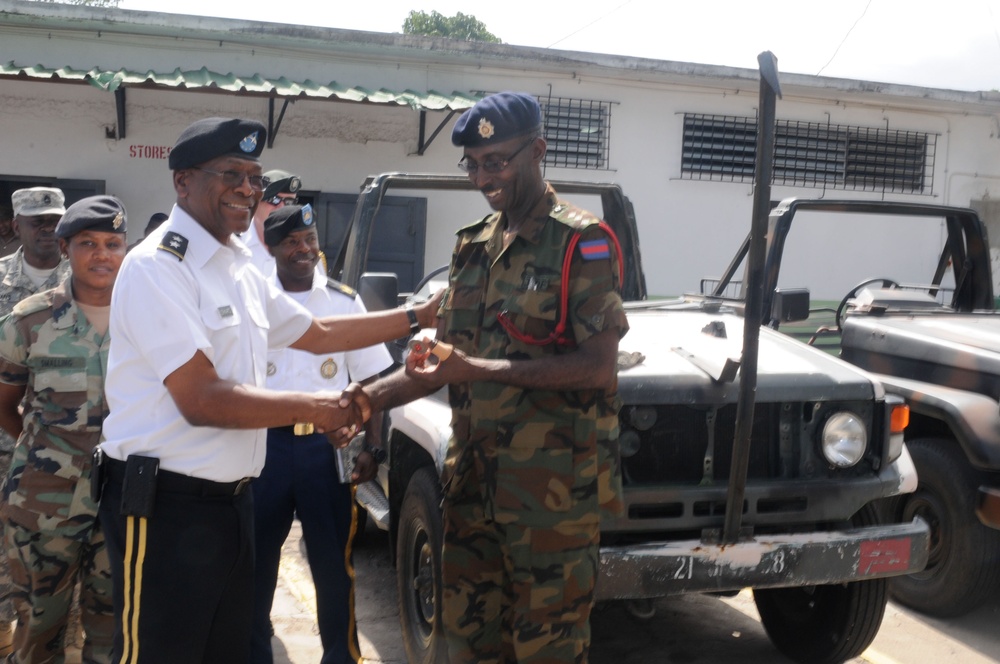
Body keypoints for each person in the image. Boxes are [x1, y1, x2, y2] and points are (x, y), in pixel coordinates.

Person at [96, 116, 441, 664]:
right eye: (231, 173)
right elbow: (202, 397)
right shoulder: (158, 268)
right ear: (182, 181)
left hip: (234, 502)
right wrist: (320, 407)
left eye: (253, 177)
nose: (247, 189)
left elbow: (318, 331)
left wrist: (419, 315)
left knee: (230, 650)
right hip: (166, 508)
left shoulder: (239, 268)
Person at [363, 92, 628, 663]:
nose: (484, 176)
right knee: (467, 642)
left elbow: (598, 366)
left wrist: (472, 368)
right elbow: (443, 361)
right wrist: (364, 400)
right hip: (471, 487)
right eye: (475, 164)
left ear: (537, 151)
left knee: (547, 648)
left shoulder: (580, 243)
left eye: (498, 161)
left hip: (550, 499)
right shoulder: (472, 247)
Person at [250, 203, 393, 664]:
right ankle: (253, 653)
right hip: (262, 449)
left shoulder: (343, 302)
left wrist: (371, 446)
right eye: (291, 242)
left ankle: (340, 655)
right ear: (270, 249)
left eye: (309, 239)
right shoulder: (252, 302)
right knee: (254, 565)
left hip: (325, 452)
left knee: (334, 565)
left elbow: (370, 380)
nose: (303, 249)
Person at [0, 195, 126, 662]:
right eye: (88, 243)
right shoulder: (29, 320)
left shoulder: (150, 317)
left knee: (111, 631)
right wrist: (45, 453)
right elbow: (5, 406)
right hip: (41, 505)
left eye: (113, 243)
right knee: (39, 631)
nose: (102, 254)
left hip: (121, 502)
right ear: (66, 247)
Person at [0, 186, 70, 654]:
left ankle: (66, 631)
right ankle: (8, 630)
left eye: (54, 221)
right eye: (36, 221)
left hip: (69, 445)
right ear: (16, 226)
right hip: (6, 439)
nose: (47, 230)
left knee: (64, 543)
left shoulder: (89, 276)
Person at [245, 169, 301, 276]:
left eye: (289, 202)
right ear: (255, 202)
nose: (281, 207)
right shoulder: (231, 245)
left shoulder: (303, 251)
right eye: (274, 200)